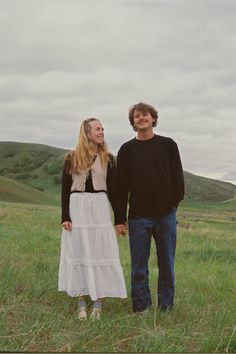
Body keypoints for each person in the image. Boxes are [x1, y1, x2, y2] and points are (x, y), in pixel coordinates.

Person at [115, 102, 184, 314]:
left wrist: (172, 205)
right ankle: (141, 308)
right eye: (137, 116)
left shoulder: (168, 145)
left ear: (153, 119)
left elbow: (178, 179)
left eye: (145, 115)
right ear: (133, 122)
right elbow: (120, 187)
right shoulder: (126, 150)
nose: (141, 118)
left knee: (167, 264)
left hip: (165, 215)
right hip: (138, 217)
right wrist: (120, 218)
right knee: (138, 267)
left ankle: (166, 307)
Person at [58, 118, 127, 320]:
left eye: (103, 129)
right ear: (87, 133)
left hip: (99, 208)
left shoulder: (109, 159)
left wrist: (120, 219)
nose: (102, 132)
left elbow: (115, 191)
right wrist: (65, 216)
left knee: (100, 251)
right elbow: (64, 190)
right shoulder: (71, 158)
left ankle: (98, 302)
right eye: (98, 129)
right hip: (76, 207)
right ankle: (80, 301)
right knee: (78, 250)